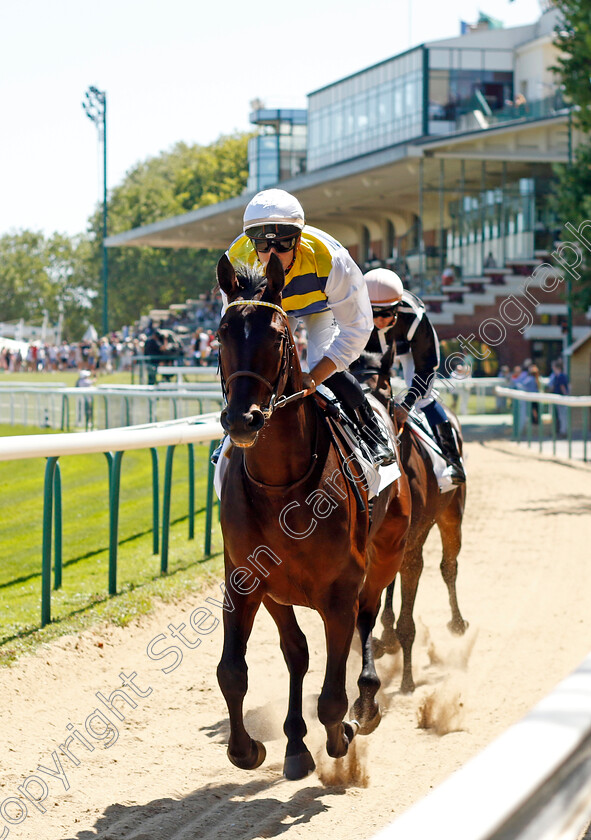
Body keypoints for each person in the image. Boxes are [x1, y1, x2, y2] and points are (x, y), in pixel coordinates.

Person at [217, 188, 394, 465]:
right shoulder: (238, 258)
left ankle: (371, 432)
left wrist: (316, 375)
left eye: (283, 244)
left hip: (322, 307)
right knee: (249, 360)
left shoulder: (333, 260)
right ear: (252, 244)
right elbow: (235, 329)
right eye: (262, 245)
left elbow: (357, 329)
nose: (271, 254)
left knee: (319, 359)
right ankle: (229, 434)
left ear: (298, 240)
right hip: (274, 309)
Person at [358, 267, 466, 485]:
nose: (379, 319)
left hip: (408, 347)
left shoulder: (414, 317)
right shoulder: (355, 311)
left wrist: (406, 405)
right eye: (374, 313)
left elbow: (426, 368)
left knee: (424, 397)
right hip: (370, 350)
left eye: (386, 314)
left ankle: (452, 460)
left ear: (397, 307)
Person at [547, 358, 569, 436]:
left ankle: (563, 431)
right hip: (557, 399)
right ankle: (561, 430)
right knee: (560, 416)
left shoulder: (561, 376)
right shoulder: (556, 376)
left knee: (563, 416)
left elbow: (563, 387)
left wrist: (566, 396)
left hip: (562, 398)